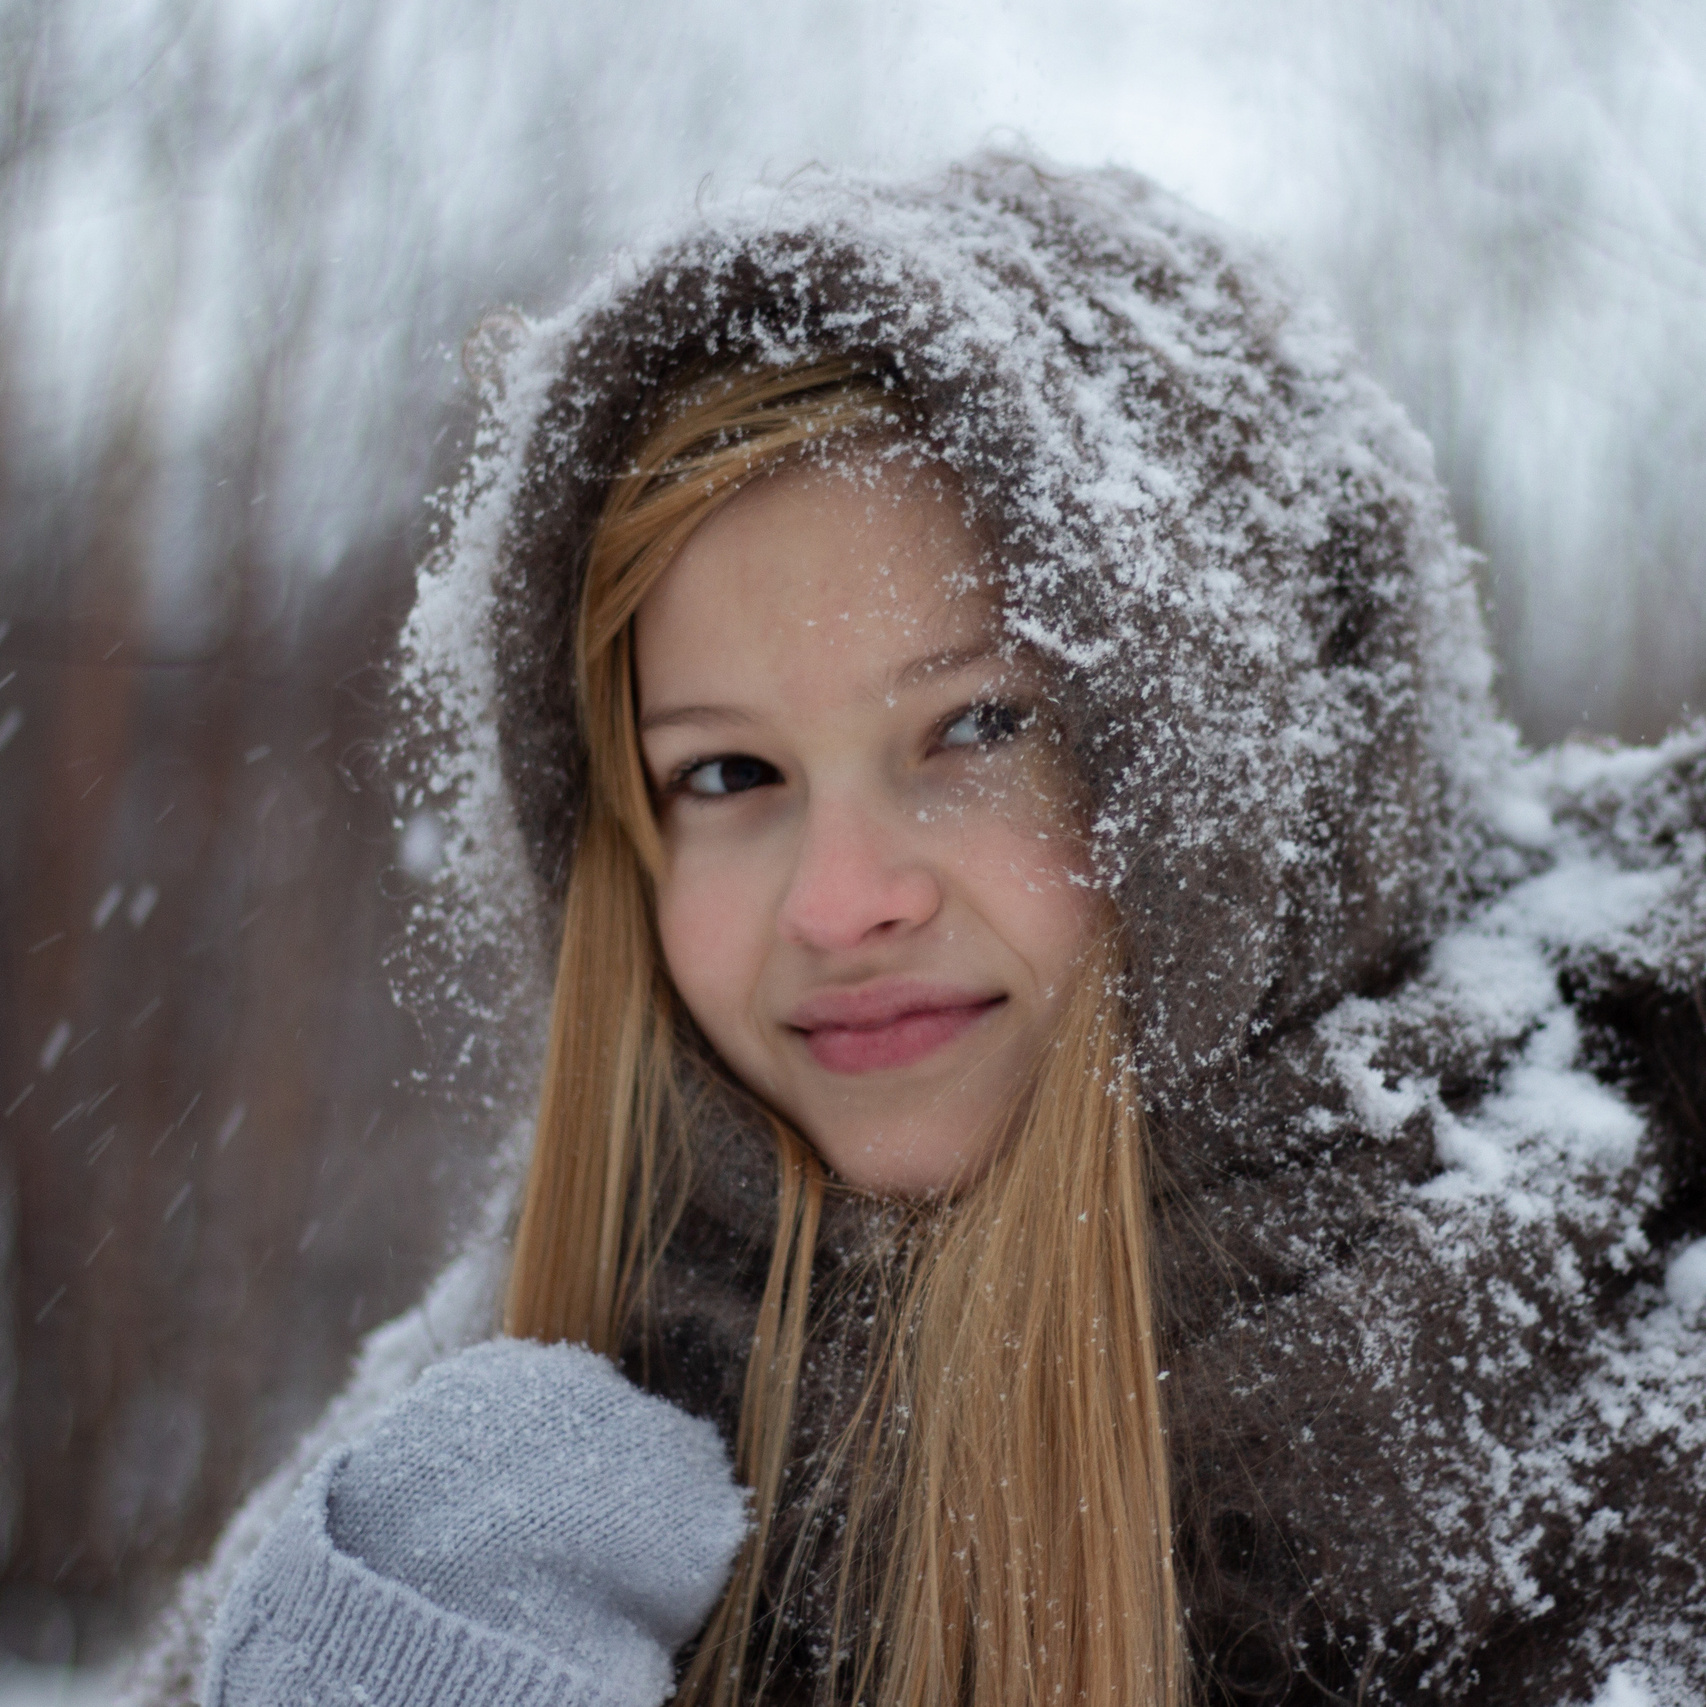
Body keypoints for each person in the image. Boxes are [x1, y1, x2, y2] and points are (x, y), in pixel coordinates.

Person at [126, 156, 1706, 1707]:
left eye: (978, 727)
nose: (838, 902)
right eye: (726, 773)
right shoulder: (458, 1507)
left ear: (1263, 764)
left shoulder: (1633, 1459)